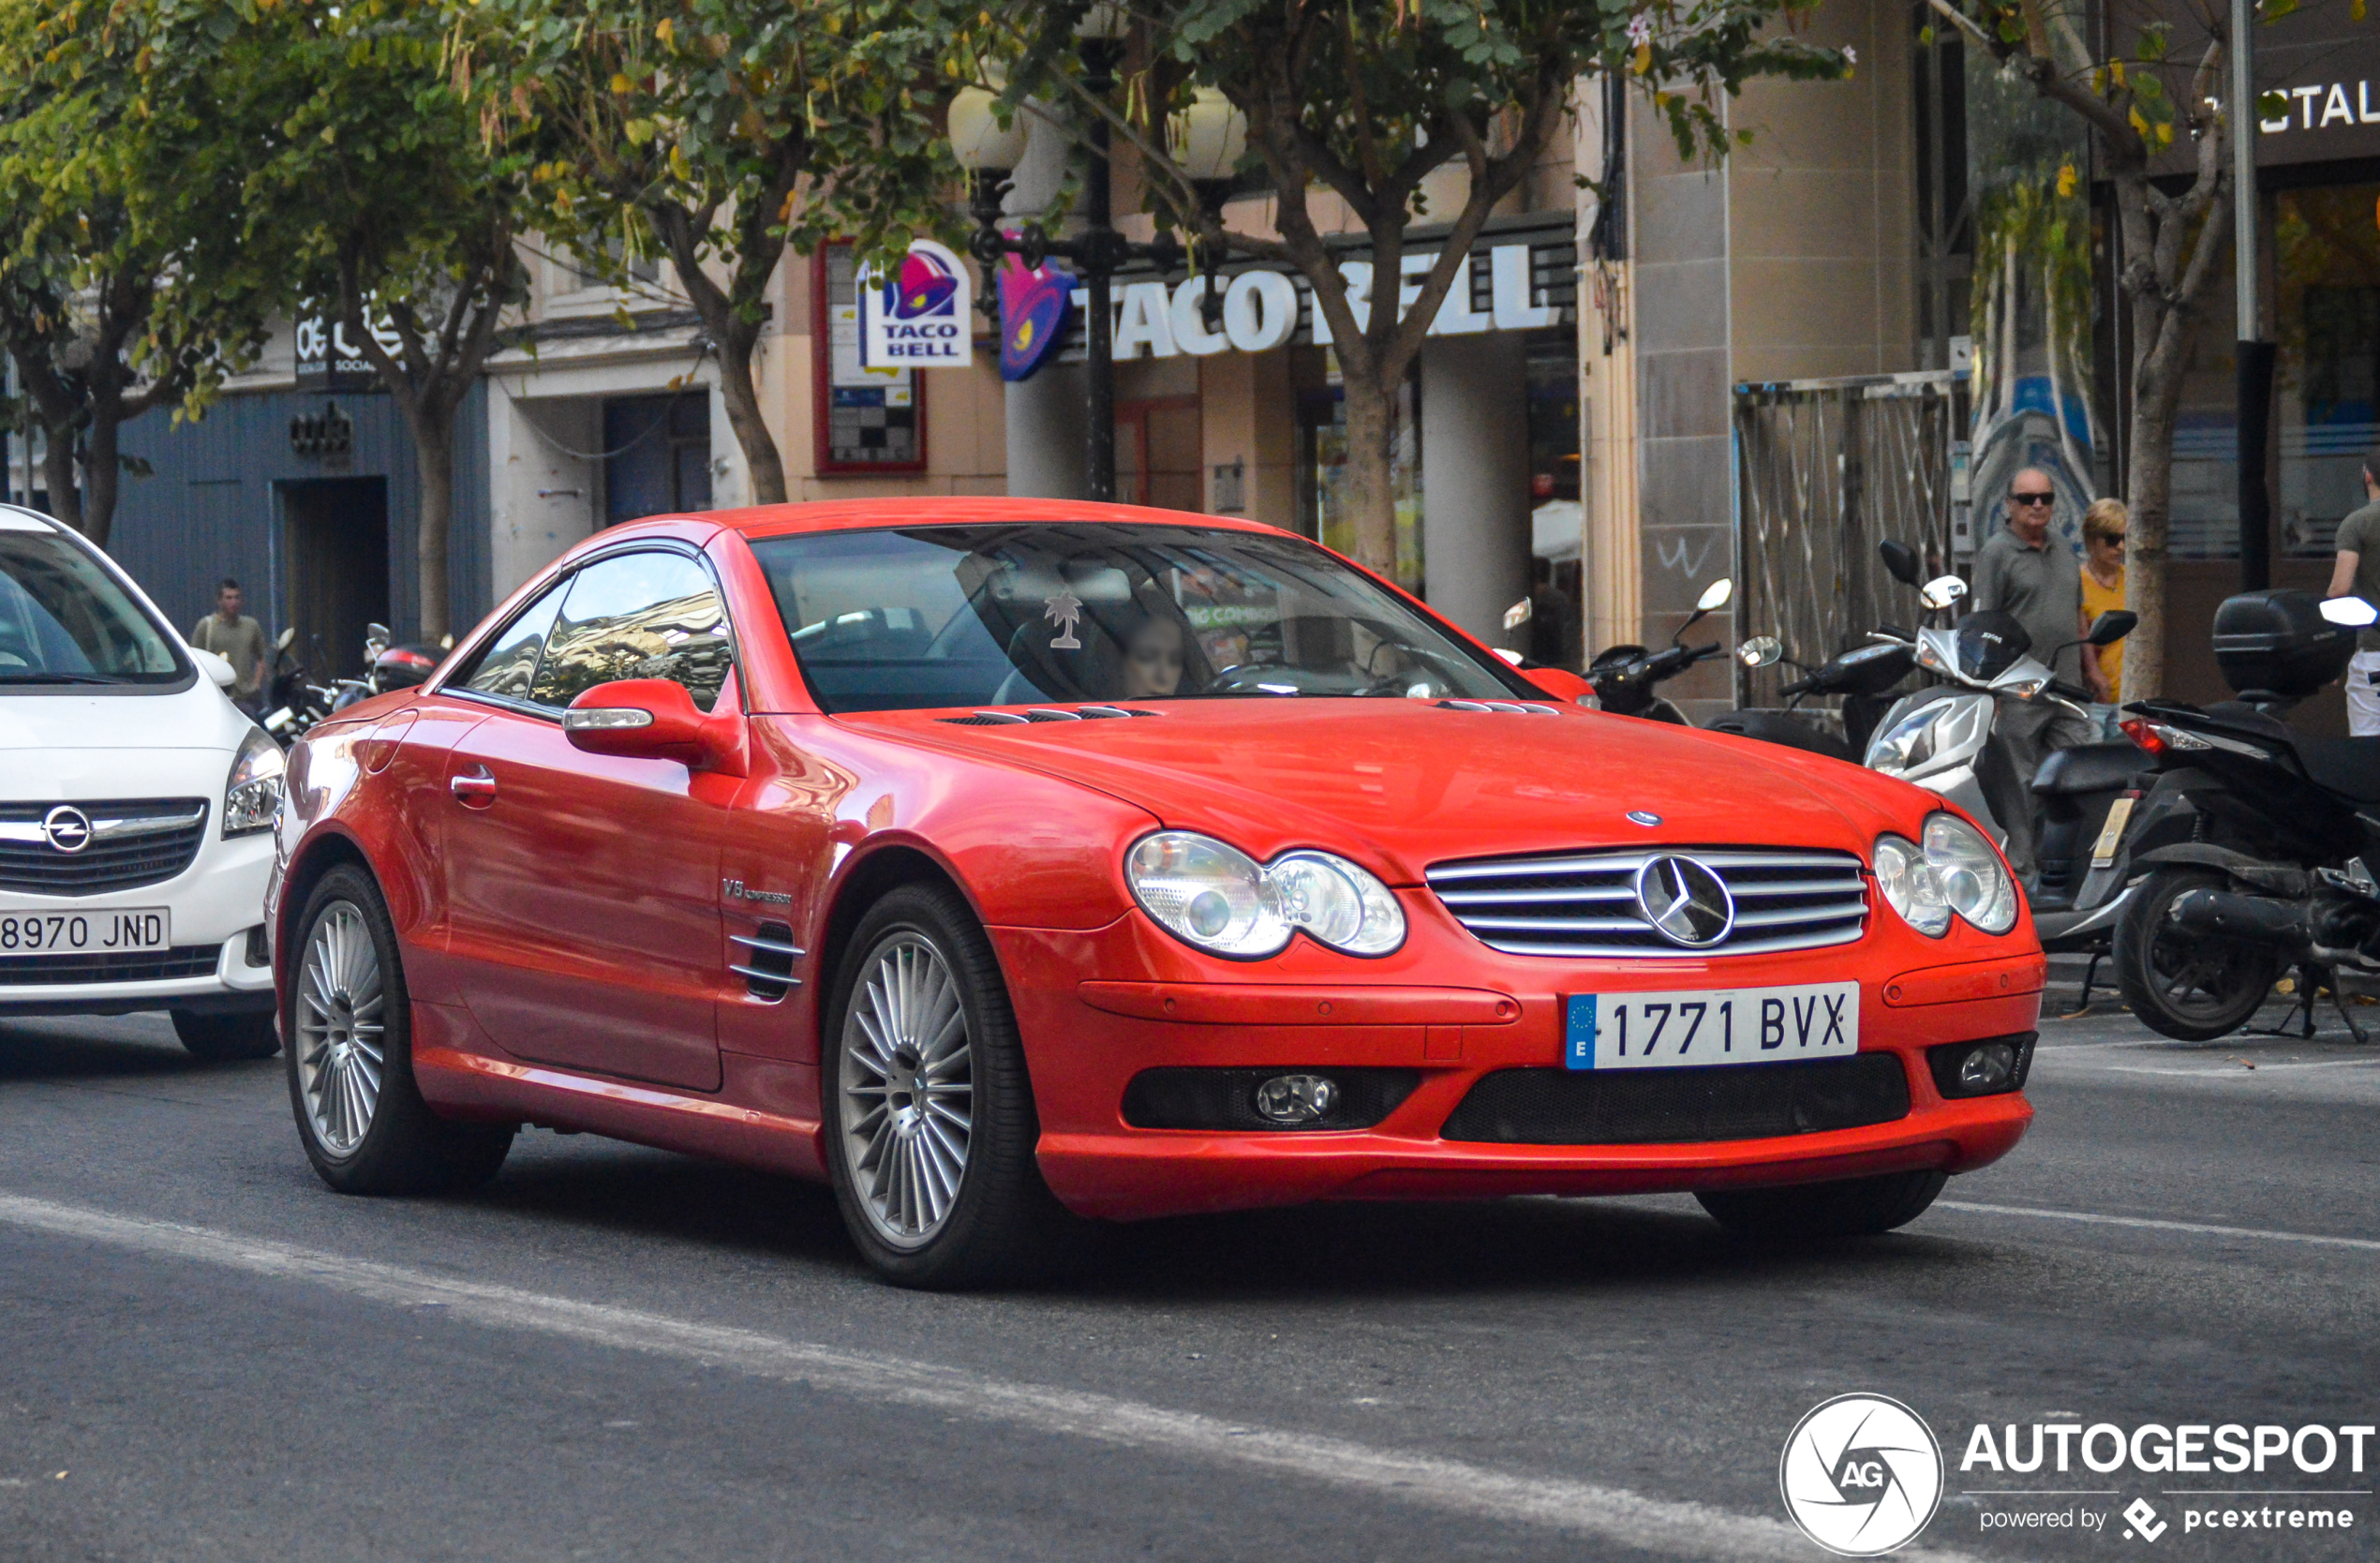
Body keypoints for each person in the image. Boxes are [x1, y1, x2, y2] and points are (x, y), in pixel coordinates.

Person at [1971, 469, 2094, 879]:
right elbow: (1985, 624)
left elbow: (2078, 614)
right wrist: (1992, 692)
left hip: (2069, 687)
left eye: (2045, 497)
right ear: (2009, 505)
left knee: (2079, 772)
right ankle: (2023, 870)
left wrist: (2091, 668)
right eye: (2027, 499)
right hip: (2019, 688)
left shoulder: (2063, 547)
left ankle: (2070, 864)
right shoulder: (1996, 553)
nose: (2038, 505)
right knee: (2020, 783)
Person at [2325, 447, 2380, 737]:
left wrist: (2332, 652)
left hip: (2374, 651)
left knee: (2368, 748)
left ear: (2368, 476)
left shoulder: (2357, 523)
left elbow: (2340, 589)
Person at [190, 577, 267, 715]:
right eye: (229, 598)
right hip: (218, 697)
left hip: (246, 697)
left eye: (237, 597)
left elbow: (262, 657)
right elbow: (194, 662)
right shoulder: (207, 627)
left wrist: (256, 684)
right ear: (219, 600)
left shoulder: (251, 626)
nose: (234, 602)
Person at [2079, 498, 2128, 703]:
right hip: (2099, 695)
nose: (2121, 547)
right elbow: (2079, 636)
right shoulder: (2077, 582)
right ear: (2092, 540)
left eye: (2126, 538)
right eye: (2112, 540)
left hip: (2134, 695)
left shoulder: (2134, 580)